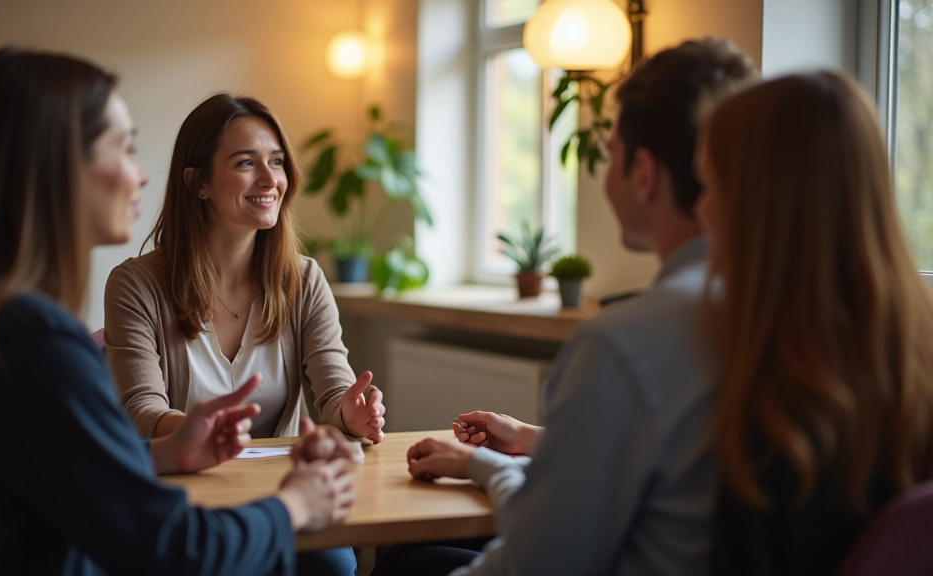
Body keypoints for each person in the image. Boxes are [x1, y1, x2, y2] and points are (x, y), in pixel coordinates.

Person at [0, 47, 358, 575]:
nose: (141, 176)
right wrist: (296, 505)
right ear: (56, 166)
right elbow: (172, 548)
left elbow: (61, 471)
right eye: (124, 149)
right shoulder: (30, 341)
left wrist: (166, 456)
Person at [371, 38, 759, 576]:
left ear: (644, 174)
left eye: (611, 157)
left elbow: (539, 561)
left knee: (405, 565)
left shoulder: (625, 345)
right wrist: (524, 444)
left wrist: (487, 467)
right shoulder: (787, 313)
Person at [104, 92, 379, 576]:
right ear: (199, 183)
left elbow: (335, 389)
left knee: (335, 565)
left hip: (285, 493)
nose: (271, 179)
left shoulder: (304, 279)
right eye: (246, 162)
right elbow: (140, 411)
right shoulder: (136, 285)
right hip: (188, 495)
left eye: (276, 162)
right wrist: (194, 432)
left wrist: (352, 413)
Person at [696, 71, 933, 575]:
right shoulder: (910, 366)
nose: (703, 209)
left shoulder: (769, 423)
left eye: (713, 185)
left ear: (761, 211)